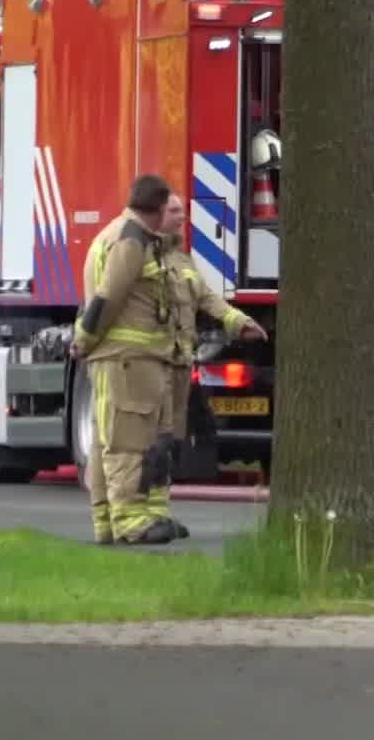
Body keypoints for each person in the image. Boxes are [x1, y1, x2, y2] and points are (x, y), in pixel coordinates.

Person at [74, 174, 185, 546]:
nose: (174, 218)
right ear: (155, 210)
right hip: (124, 358)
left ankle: (111, 522)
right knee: (126, 439)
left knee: (122, 436)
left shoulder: (129, 236)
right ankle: (129, 521)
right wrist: (83, 340)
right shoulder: (130, 241)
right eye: (168, 210)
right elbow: (108, 298)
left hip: (133, 358)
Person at [155, 192, 267, 537]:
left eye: (182, 212)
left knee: (170, 440)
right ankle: (134, 515)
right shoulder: (142, 256)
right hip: (152, 362)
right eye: (173, 211)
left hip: (177, 362)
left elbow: (207, 299)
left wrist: (238, 322)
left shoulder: (183, 261)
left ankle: (157, 513)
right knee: (147, 441)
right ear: (155, 216)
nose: (181, 218)